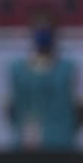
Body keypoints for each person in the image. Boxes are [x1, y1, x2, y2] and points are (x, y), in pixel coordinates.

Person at [5, 9, 81, 151]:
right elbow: (11, 109)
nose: (43, 35)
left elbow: (77, 109)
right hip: (26, 144)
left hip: (61, 143)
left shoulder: (68, 69)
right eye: (39, 29)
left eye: (47, 29)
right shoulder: (17, 69)